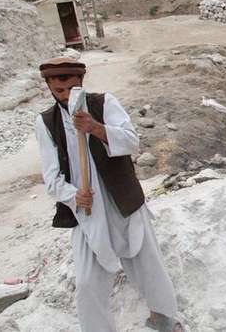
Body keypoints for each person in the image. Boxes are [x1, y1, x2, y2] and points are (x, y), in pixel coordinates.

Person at [34, 57, 182, 332]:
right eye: (59, 91)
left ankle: (166, 319)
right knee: (89, 281)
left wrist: (95, 128)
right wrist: (73, 195)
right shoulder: (46, 123)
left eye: (71, 89)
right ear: (50, 88)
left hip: (121, 201)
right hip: (86, 212)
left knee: (147, 263)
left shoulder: (103, 104)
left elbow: (131, 141)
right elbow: (51, 178)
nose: (66, 97)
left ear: (81, 83)